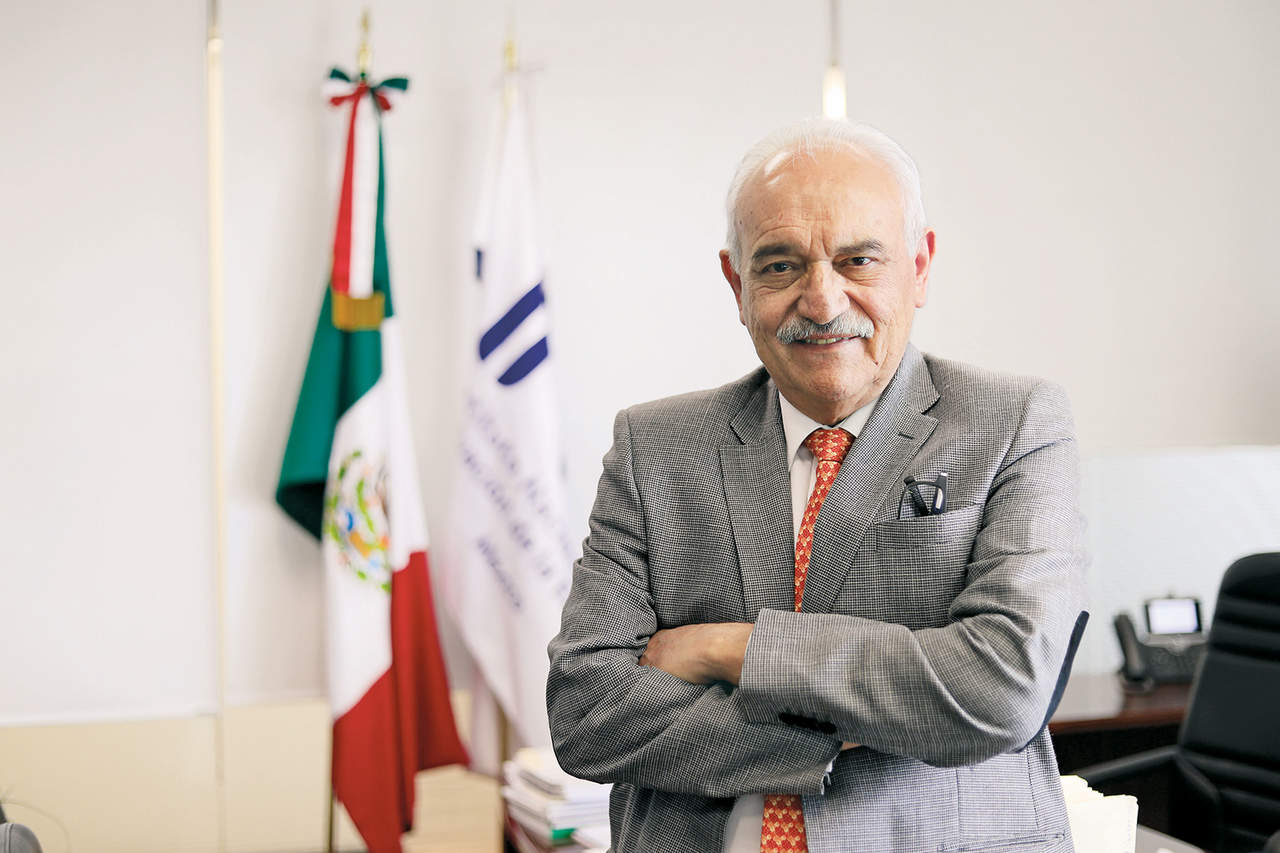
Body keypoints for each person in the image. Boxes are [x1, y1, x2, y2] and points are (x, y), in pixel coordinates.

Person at [546, 119, 1088, 852]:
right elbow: (585, 712)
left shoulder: (1014, 423)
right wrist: (844, 731)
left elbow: (1002, 685)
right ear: (737, 285)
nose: (823, 301)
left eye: (858, 260)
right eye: (780, 265)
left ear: (920, 267)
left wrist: (732, 651)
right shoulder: (656, 447)